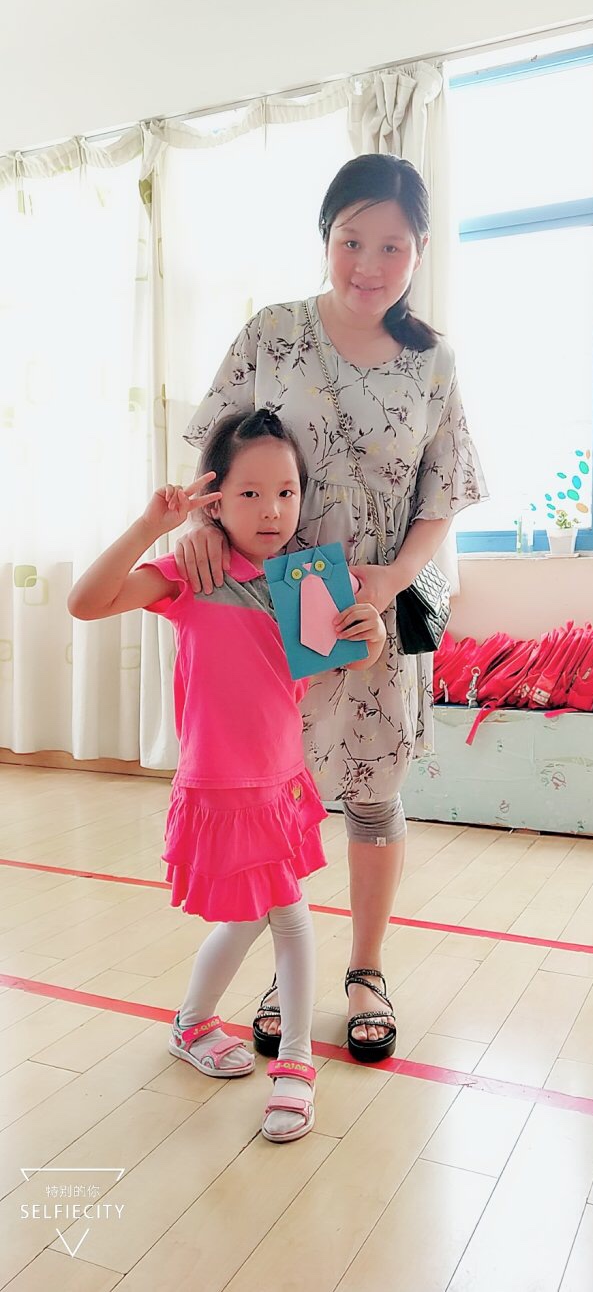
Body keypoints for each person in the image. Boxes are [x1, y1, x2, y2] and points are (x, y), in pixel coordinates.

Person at [176, 154, 488, 1063]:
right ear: (326, 238)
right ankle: (290, 965)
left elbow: (444, 493)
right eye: (352, 240)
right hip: (274, 600)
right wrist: (197, 526)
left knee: (374, 794)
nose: (369, 263)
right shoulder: (272, 331)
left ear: (419, 250)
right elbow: (212, 454)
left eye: (392, 245)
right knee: (286, 788)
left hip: (375, 608)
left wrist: (395, 578)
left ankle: (365, 969)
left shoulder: (433, 360)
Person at [68, 409, 386, 1141]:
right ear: (213, 500)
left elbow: (349, 655)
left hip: (279, 785)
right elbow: (85, 603)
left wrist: (368, 635)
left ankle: (202, 1027)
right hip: (218, 787)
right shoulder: (193, 574)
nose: (272, 510)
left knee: (262, 915)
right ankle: (290, 1061)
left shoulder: (312, 580)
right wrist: (151, 526)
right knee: (280, 916)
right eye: (249, 494)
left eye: (286, 492)